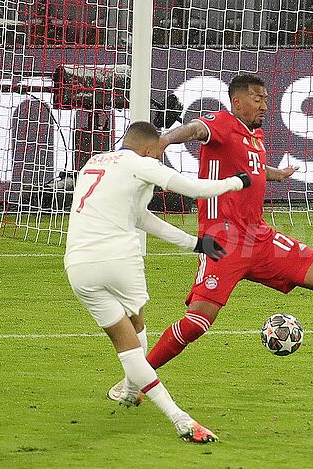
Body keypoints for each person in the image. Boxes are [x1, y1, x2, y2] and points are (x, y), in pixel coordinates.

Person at [107, 74, 313, 409]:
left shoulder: (254, 135)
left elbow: (254, 167)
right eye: (257, 98)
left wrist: (277, 174)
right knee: (197, 323)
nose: (264, 105)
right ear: (237, 101)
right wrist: (164, 140)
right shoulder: (222, 122)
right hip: (223, 243)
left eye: (265, 99)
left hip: (259, 237)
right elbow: (194, 129)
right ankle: (136, 379)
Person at [64, 121, 250, 443]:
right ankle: (179, 418)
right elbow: (193, 189)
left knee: (126, 344)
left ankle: (130, 391)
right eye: (160, 152)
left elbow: (140, 217)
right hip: (118, 258)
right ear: (150, 149)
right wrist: (236, 182)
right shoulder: (141, 163)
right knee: (137, 330)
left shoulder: (93, 162)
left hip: (78, 265)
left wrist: (195, 244)